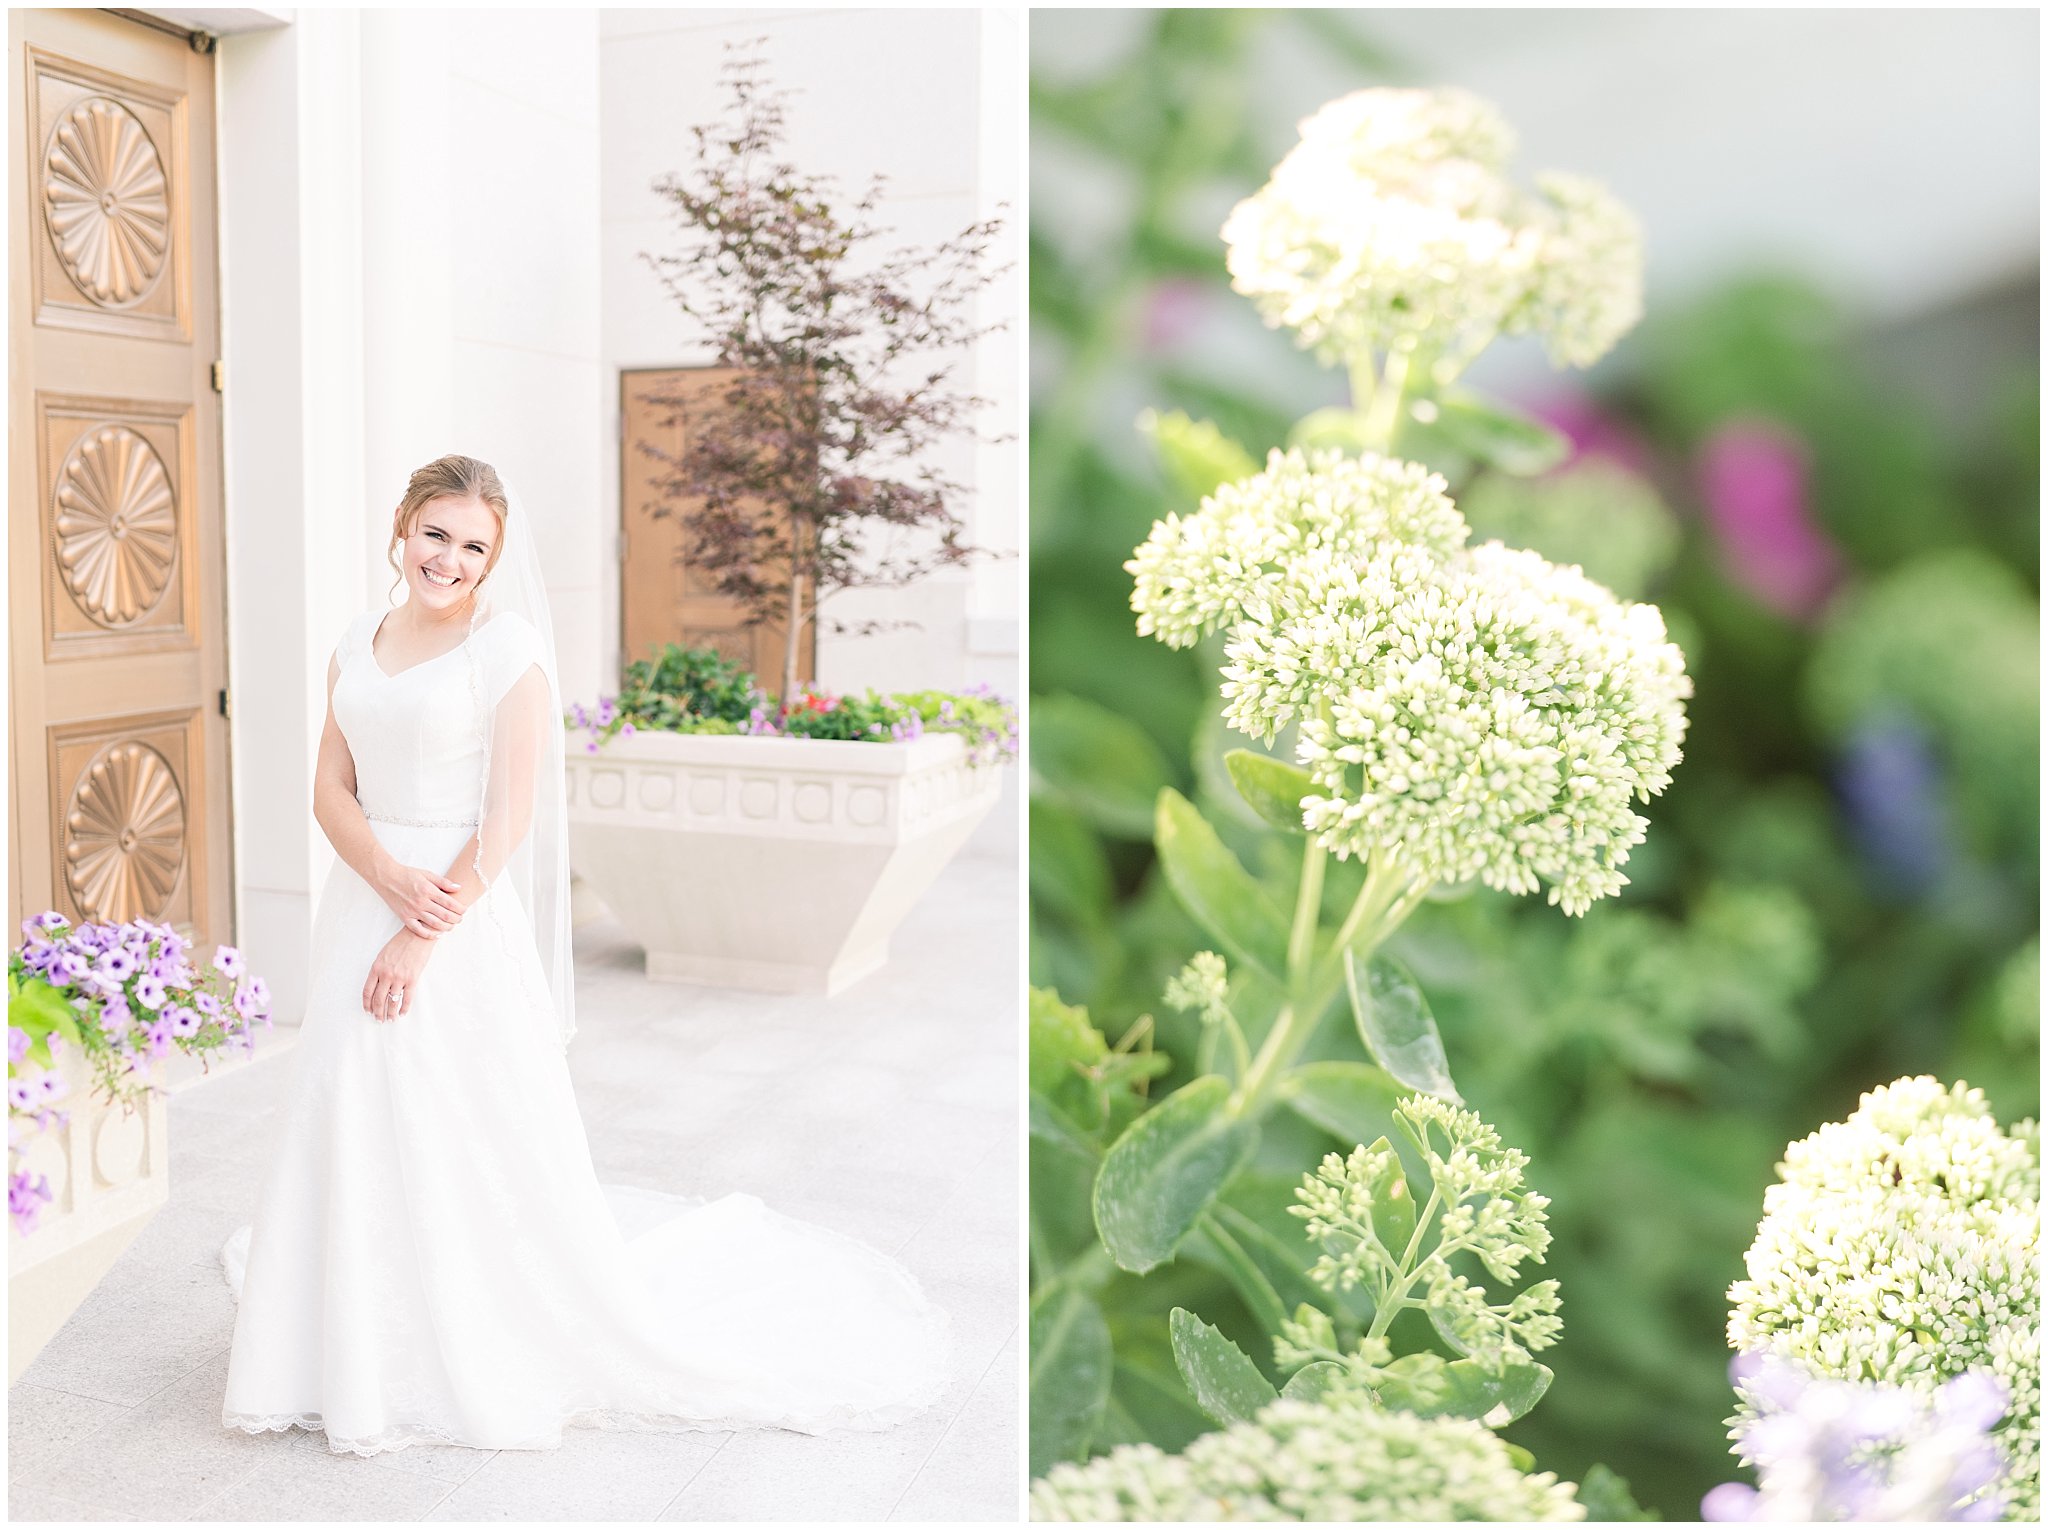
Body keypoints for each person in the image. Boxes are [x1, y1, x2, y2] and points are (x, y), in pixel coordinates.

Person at [219, 454, 946, 1455]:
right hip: (369, 893)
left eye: (474, 546)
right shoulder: (357, 640)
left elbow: (509, 817)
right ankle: (333, 1341)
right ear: (402, 528)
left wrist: (420, 930)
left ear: (493, 559)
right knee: (344, 1105)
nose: (450, 558)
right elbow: (328, 789)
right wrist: (385, 881)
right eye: (436, 534)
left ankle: (459, 1335)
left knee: (453, 1123)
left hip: (452, 917)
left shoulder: (505, 648)